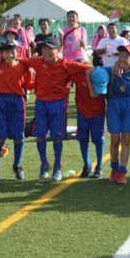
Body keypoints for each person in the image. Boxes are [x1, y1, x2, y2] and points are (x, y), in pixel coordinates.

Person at [21, 36, 90, 181]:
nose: (46, 52)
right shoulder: (38, 61)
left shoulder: (66, 64)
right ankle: (44, 164)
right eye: (44, 48)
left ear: (59, 50)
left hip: (58, 104)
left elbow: (87, 67)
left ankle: (57, 166)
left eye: (50, 49)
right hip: (41, 103)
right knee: (40, 135)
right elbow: (22, 61)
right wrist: (0, 60)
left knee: (56, 136)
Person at [0, 41, 33, 181]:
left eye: (12, 51)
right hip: (1, 102)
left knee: (19, 137)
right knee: (0, 136)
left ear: (17, 51)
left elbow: (30, 85)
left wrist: (32, 72)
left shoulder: (23, 66)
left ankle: (17, 166)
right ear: (1, 54)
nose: (9, 54)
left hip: (17, 102)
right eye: (6, 52)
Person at [107, 45, 130, 184]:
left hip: (129, 105)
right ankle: (114, 168)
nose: (122, 58)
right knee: (115, 138)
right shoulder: (111, 70)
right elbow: (94, 71)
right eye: (120, 55)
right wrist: (114, 68)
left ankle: (122, 171)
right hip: (114, 104)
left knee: (126, 138)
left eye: (126, 56)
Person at [71, 57, 106, 179]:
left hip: (97, 113)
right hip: (82, 113)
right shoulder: (76, 75)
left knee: (99, 140)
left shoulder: (99, 74)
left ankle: (99, 166)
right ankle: (87, 165)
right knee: (82, 139)